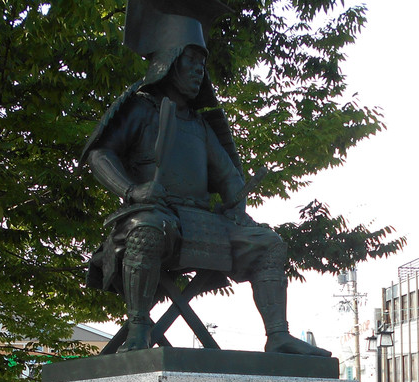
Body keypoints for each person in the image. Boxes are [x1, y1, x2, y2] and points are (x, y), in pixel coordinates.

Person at [82, 0, 330, 357]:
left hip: (202, 220)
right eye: (192, 60)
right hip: (156, 213)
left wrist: (236, 205)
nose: (199, 70)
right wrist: (132, 190)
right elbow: (99, 154)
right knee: (147, 229)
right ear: (169, 60)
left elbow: (229, 178)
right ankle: (139, 327)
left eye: (203, 62)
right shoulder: (140, 109)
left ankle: (278, 335)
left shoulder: (199, 125)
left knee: (268, 243)